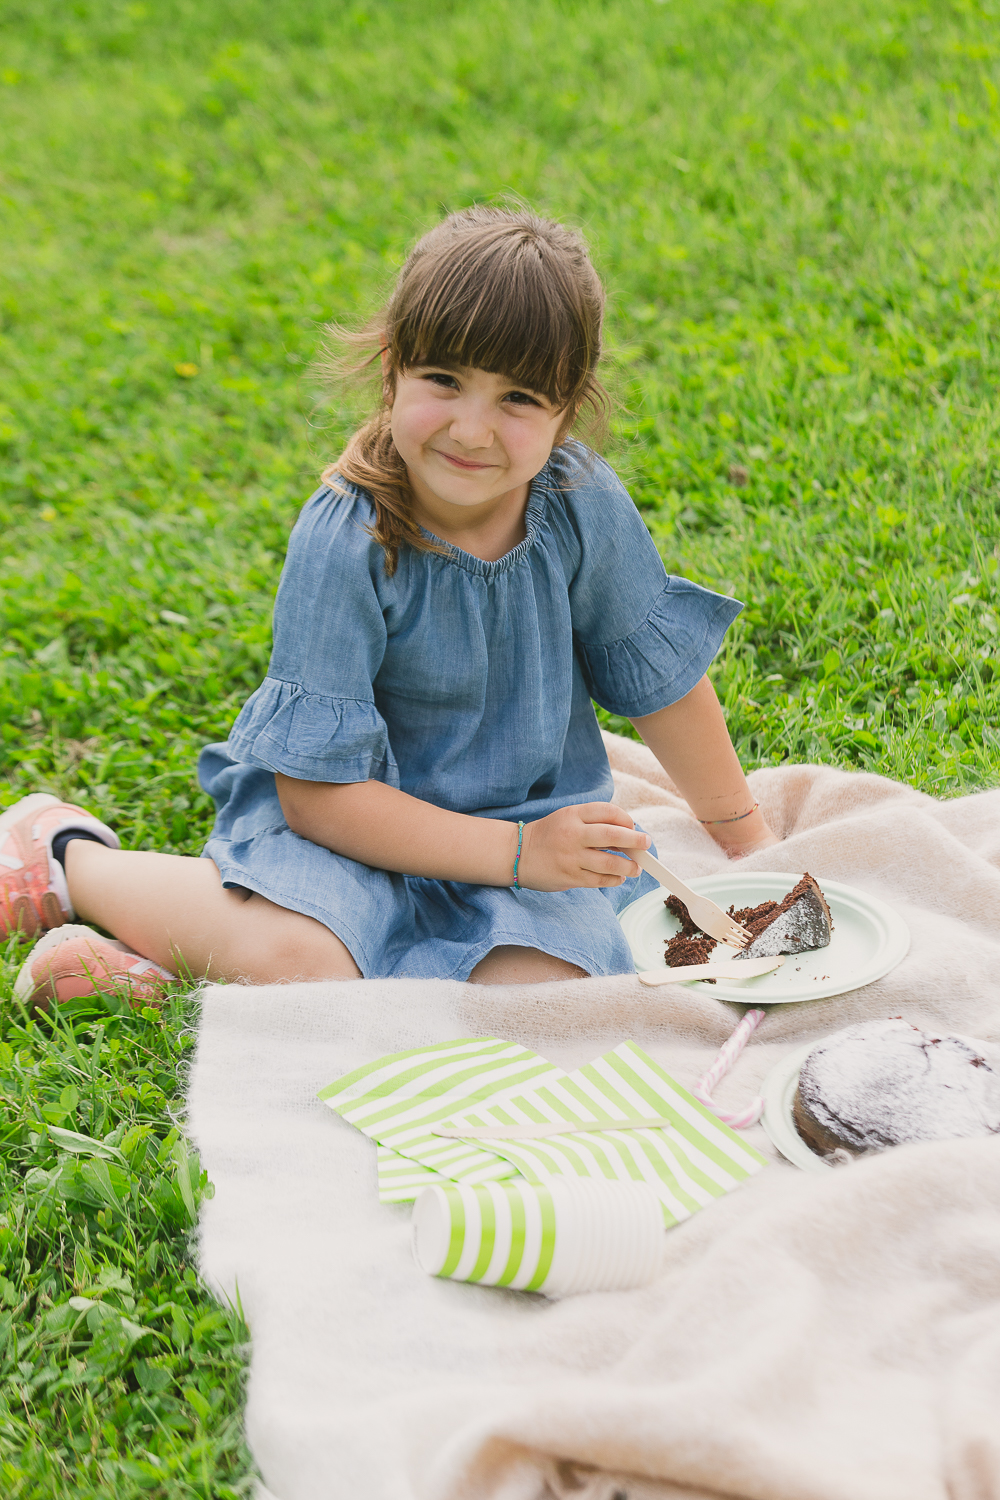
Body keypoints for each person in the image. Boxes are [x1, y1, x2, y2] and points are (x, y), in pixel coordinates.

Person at [1, 206, 778, 1008]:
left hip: (529, 821)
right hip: (352, 835)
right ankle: (68, 860)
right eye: (444, 381)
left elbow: (659, 677)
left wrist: (745, 842)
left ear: (567, 410)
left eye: (517, 398)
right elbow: (316, 799)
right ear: (391, 369)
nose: (471, 430)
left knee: (543, 998)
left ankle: (163, 972)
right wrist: (515, 854)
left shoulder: (580, 505)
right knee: (304, 960)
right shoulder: (348, 541)